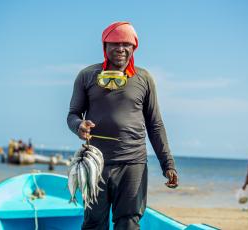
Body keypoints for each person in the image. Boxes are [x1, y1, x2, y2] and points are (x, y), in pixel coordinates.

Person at [67, 21, 178, 230]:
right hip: (95, 163)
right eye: (115, 44)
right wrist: (79, 126)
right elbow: (72, 115)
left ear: (134, 47)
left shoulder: (144, 78)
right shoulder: (87, 75)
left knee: (128, 222)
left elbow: (155, 124)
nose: (121, 49)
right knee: (93, 223)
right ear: (105, 47)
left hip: (132, 163)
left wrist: (168, 164)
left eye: (127, 44)